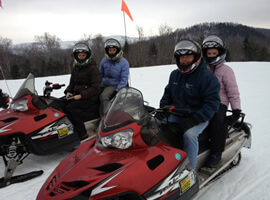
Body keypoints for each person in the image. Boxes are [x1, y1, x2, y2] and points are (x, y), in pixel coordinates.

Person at [157, 39, 220, 168]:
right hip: (177, 113)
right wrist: (163, 107)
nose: (184, 60)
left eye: (188, 57)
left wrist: (196, 119)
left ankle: (189, 170)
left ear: (196, 57)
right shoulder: (175, 75)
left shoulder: (207, 78)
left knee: (189, 135)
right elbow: (168, 93)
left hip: (199, 116)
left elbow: (212, 103)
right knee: (152, 124)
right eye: (181, 57)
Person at [202, 35, 241, 167]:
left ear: (220, 53)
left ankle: (216, 153)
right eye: (209, 53)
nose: (212, 55)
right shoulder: (203, 68)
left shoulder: (226, 71)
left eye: (214, 53)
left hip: (220, 103)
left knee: (217, 121)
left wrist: (236, 110)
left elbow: (233, 91)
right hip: (203, 101)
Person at [64, 42, 101, 140]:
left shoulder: (93, 69)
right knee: (61, 105)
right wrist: (68, 91)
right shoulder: (76, 67)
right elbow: (72, 83)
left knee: (71, 109)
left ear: (87, 56)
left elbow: (95, 87)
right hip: (77, 94)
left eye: (83, 55)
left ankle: (82, 134)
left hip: (90, 97)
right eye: (79, 55)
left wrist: (81, 95)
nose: (81, 57)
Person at [99, 38, 130, 116]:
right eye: (110, 50)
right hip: (104, 83)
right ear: (107, 51)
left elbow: (124, 78)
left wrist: (117, 90)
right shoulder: (104, 60)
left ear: (117, 50)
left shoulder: (124, 62)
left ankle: (106, 116)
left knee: (104, 96)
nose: (112, 52)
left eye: (114, 50)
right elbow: (100, 73)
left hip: (116, 84)